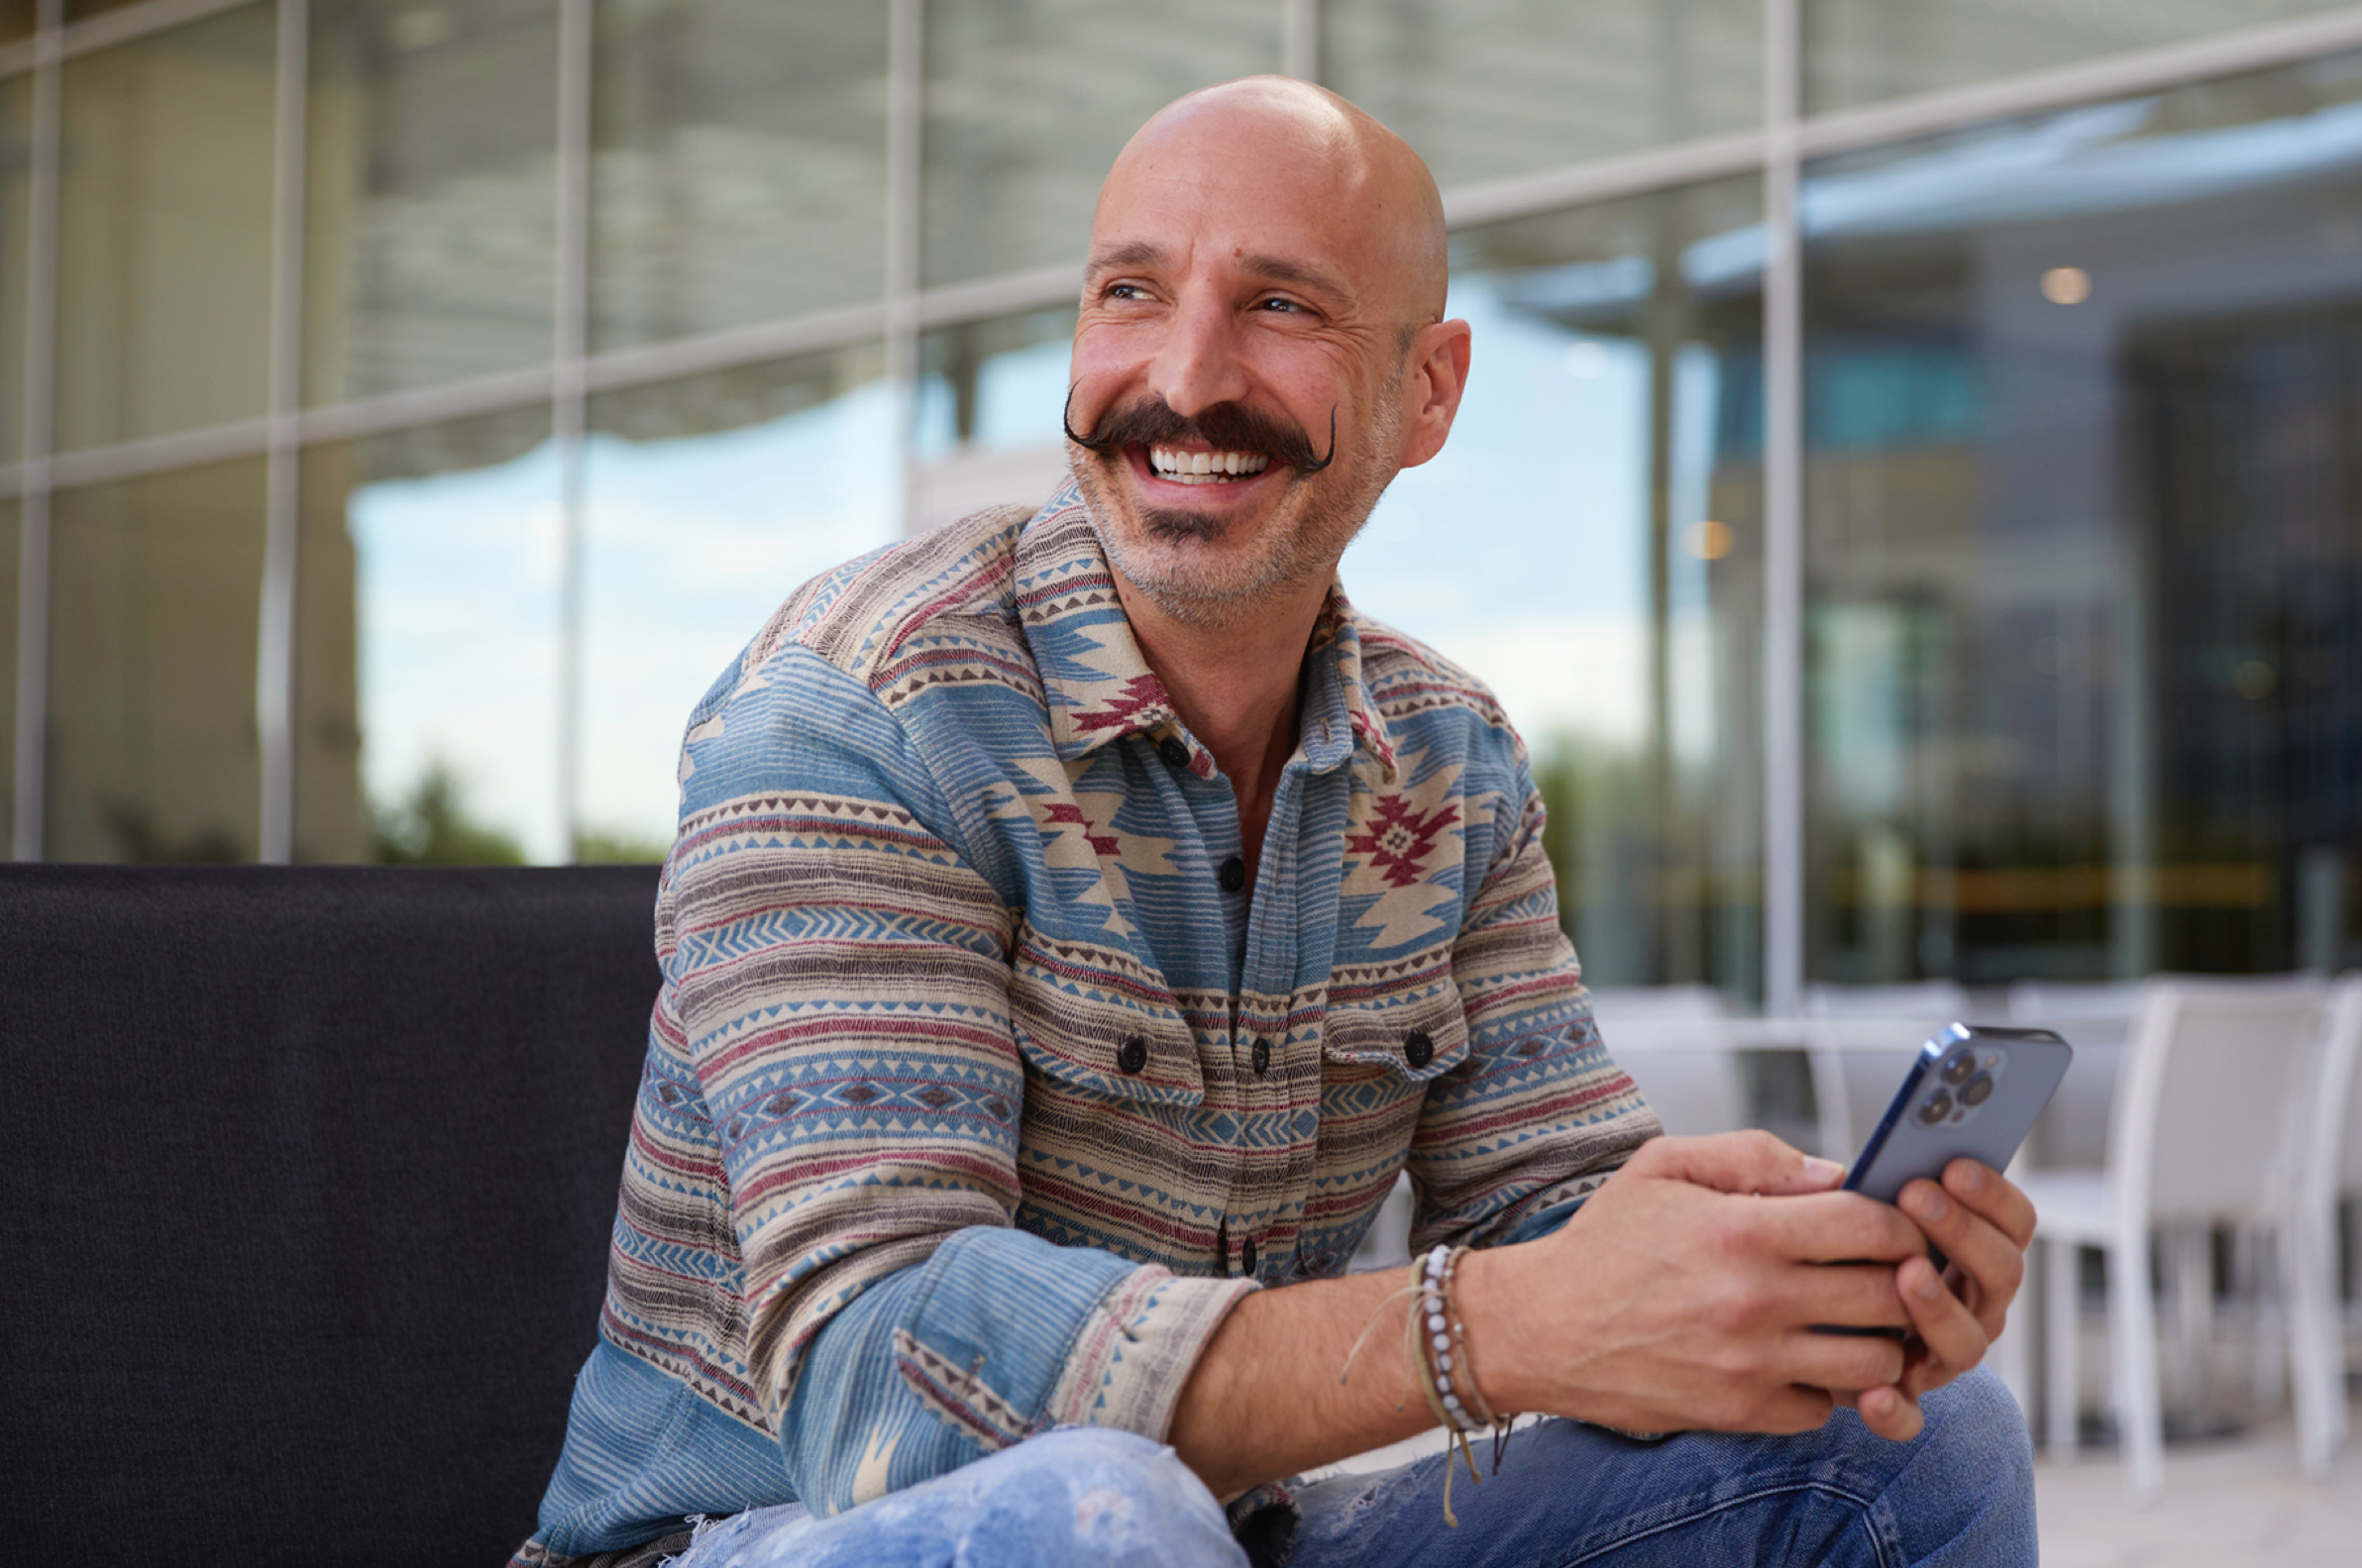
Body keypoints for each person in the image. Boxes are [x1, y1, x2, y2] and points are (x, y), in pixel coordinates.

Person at [512, 76, 2037, 1568]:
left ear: (1424, 392)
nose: (1184, 374)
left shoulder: (1449, 761)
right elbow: (878, 1381)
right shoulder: (862, 708)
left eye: (1281, 306)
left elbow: (1551, 1224)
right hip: (758, 1535)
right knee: (1099, 1515)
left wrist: (1768, 1283)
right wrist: (1489, 1333)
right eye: (1129, 292)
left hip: (1219, 1531)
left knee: (1908, 1447)